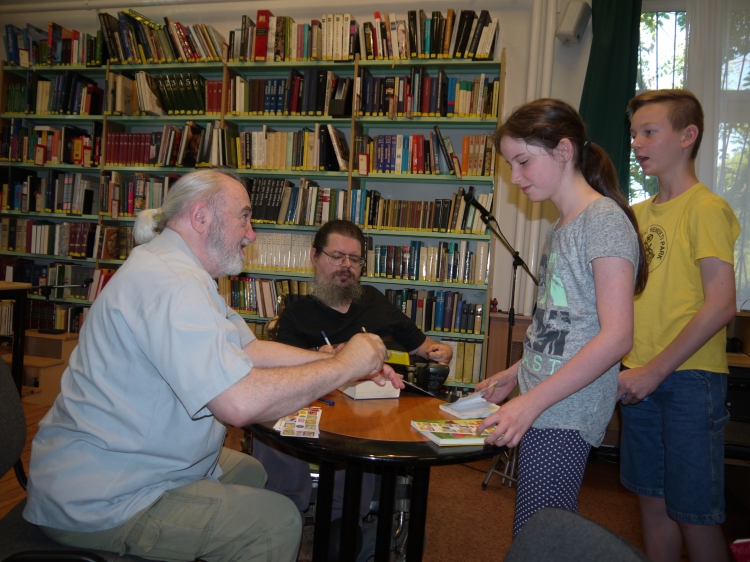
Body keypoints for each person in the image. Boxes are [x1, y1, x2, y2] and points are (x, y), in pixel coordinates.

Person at [23, 169, 403, 562]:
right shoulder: (173, 285)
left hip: (120, 462)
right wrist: (345, 367)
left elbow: (250, 348)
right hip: (103, 499)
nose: (251, 234)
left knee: (253, 473)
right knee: (277, 521)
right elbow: (238, 404)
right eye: (244, 217)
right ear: (201, 216)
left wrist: (341, 359)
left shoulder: (177, 269)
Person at [474, 98, 648, 536]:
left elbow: (617, 337)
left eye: (523, 161)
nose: (515, 177)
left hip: (564, 410)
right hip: (542, 402)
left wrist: (530, 402)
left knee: (539, 535)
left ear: (564, 150)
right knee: (537, 528)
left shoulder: (602, 221)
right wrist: (514, 375)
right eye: (510, 165)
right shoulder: (559, 227)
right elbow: (556, 327)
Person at [253, 219, 452, 543]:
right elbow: (279, 372)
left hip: (368, 408)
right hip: (312, 405)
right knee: (273, 428)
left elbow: (422, 346)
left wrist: (439, 350)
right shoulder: (297, 314)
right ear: (315, 257)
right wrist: (320, 355)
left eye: (354, 259)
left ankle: (343, 526)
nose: (346, 265)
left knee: (363, 436)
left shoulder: (375, 301)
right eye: (337, 256)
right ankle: (283, 517)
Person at [617, 90, 739, 562]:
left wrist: (654, 371)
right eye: (634, 133)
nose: (636, 142)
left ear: (688, 136)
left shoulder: (706, 208)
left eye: (649, 132)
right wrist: (637, 370)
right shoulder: (636, 214)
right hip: (638, 376)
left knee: (694, 513)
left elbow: (721, 305)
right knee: (652, 503)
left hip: (689, 379)